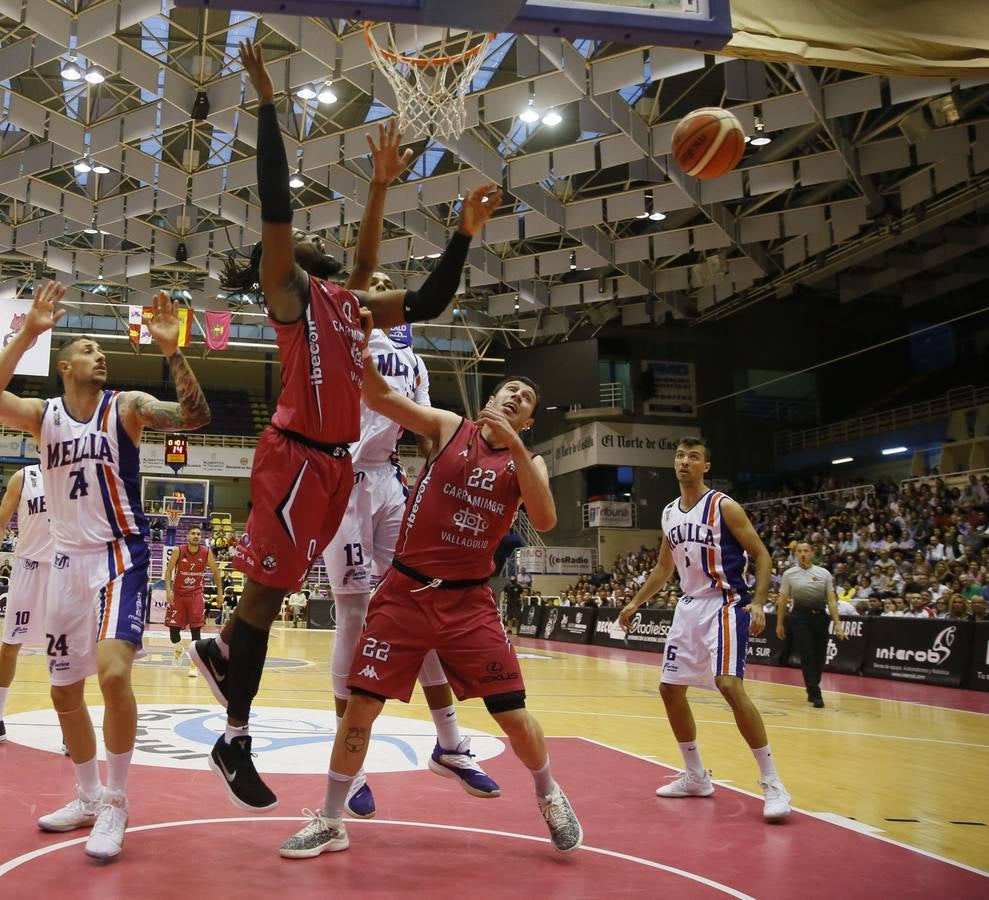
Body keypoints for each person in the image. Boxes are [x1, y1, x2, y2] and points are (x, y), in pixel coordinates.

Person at [189, 39, 500, 812]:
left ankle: (222, 655)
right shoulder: (286, 291)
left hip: (333, 469)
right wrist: (267, 103)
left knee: (268, 604)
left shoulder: (346, 302)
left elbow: (426, 300)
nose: (305, 242)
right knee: (265, 601)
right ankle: (233, 736)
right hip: (297, 460)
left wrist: (455, 228)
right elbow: (276, 206)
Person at [278, 371, 582, 858]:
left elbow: (545, 519)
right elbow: (380, 396)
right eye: (511, 390)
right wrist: (360, 347)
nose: (516, 397)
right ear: (493, 397)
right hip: (405, 593)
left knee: (513, 714)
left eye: (526, 398)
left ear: (527, 421)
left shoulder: (529, 462)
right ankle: (331, 820)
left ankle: (549, 795)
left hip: (468, 603)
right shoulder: (449, 427)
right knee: (360, 709)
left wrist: (516, 448)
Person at [0, 284, 210, 859]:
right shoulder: (42, 416)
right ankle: (88, 796)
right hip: (64, 563)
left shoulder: (127, 406)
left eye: (102, 350)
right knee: (63, 691)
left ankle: (116, 801)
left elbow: (195, 416)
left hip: (120, 556)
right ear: (65, 366)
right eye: (88, 349)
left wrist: (172, 350)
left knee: (114, 675)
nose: (101, 355)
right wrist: (28, 334)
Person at [322, 155, 499, 816]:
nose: (375, 293)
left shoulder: (414, 360)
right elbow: (362, 268)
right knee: (353, 613)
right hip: (340, 482)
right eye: (369, 288)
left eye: (385, 290)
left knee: (422, 602)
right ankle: (350, 760)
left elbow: (429, 436)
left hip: (391, 482)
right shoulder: (341, 334)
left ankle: (450, 743)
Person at [619, 436, 791, 822]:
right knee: (669, 690)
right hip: (688, 607)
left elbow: (761, 555)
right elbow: (664, 568)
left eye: (693, 457)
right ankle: (696, 776)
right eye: (680, 456)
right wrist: (635, 602)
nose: (684, 462)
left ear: (705, 466)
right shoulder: (669, 512)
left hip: (725, 604)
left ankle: (773, 783)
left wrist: (759, 602)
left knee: (729, 685)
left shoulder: (723, 506)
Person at [0, 465, 53, 743]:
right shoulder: (23, 477)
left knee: (66, 651)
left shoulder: (78, 474)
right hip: (27, 567)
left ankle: (70, 725)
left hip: (63, 570)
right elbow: (1, 522)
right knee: (11, 643)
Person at [775, 542, 846, 708]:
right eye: (799, 551)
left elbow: (831, 600)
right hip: (799, 617)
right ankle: (815, 692)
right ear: (795, 554)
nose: (803, 554)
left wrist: (837, 623)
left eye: (806, 551)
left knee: (820, 655)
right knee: (806, 653)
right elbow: (783, 600)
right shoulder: (789, 574)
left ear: (812, 553)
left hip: (820, 616)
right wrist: (779, 623)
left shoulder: (824, 573)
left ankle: (813, 685)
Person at [164, 525, 223, 678]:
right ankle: (178, 649)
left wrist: (220, 593)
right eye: (193, 533)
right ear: (187, 536)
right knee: (173, 632)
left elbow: (216, 573)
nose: (196, 536)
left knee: (195, 632)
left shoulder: (206, 552)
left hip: (196, 596)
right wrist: (168, 590)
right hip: (178, 595)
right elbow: (169, 571)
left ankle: (194, 664)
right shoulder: (178, 550)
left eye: (198, 534)